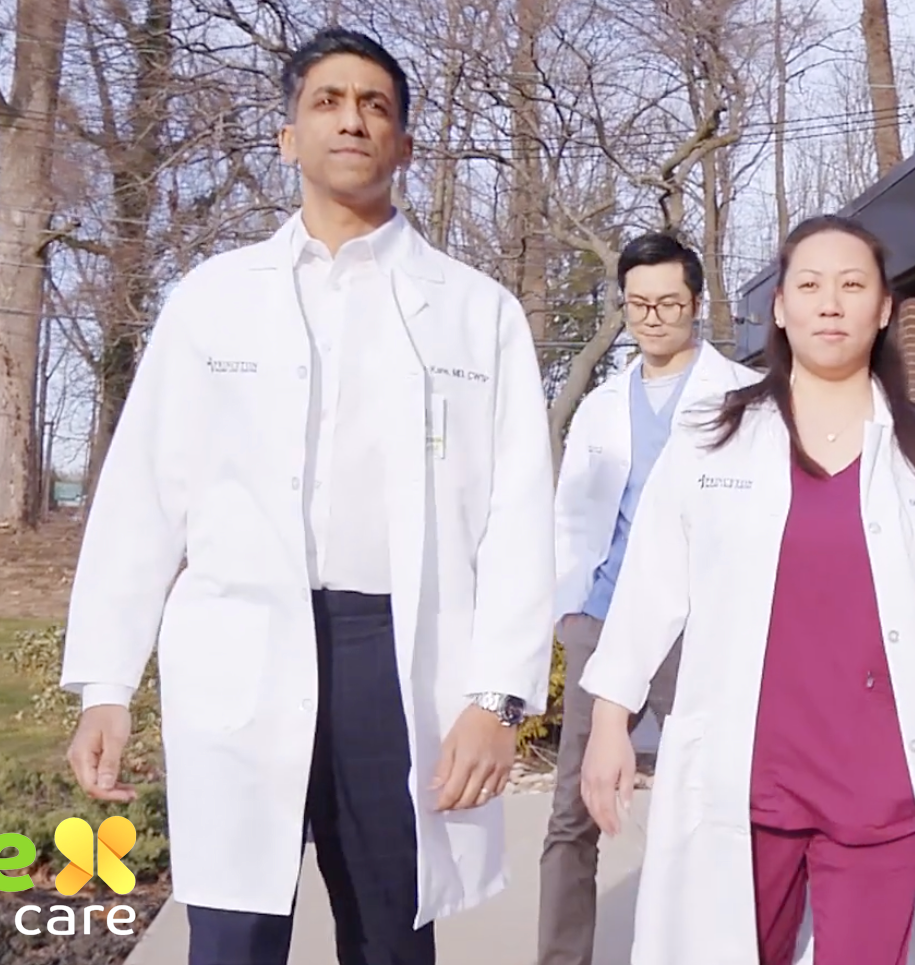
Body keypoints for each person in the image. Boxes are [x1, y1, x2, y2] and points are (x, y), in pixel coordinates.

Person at [58, 27, 556, 965]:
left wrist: (497, 697)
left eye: (375, 105)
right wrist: (105, 686)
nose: (353, 120)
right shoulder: (212, 301)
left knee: (391, 935)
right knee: (234, 933)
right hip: (242, 643)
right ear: (288, 137)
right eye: (327, 101)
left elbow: (520, 515)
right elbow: (141, 501)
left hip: (397, 656)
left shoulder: (475, 311)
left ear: (403, 143)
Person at [576, 214, 915, 965]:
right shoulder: (712, 437)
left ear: (883, 307)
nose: (831, 303)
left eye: (852, 285)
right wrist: (609, 721)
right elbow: (649, 587)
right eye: (810, 285)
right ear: (781, 308)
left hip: (882, 784)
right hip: (748, 776)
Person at [541, 232, 760, 965]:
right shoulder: (603, 405)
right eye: (638, 303)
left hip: (697, 626)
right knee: (572, 813)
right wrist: (567, 611)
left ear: (696, 303)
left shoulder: (739, 398)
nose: (653, 316)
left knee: (708, 801)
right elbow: (572, 515)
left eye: (669, 302)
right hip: (602, 622)